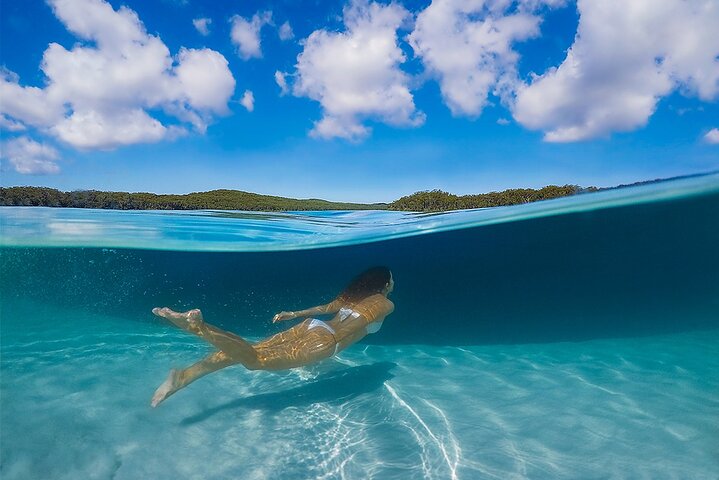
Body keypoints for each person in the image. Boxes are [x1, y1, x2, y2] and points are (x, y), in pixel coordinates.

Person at [150, 266, 395, 407]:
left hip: (312, 326)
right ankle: (200, 328)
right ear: (385, 285)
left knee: (247, 350)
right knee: (254, 361)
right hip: (324, 342)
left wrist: (292, 314)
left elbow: (325, 308)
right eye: (392, 279)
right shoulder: (384, 303)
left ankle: (183, 377)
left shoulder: (353, 295)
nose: (393, 282)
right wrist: (333, 343)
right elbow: (359, 322)